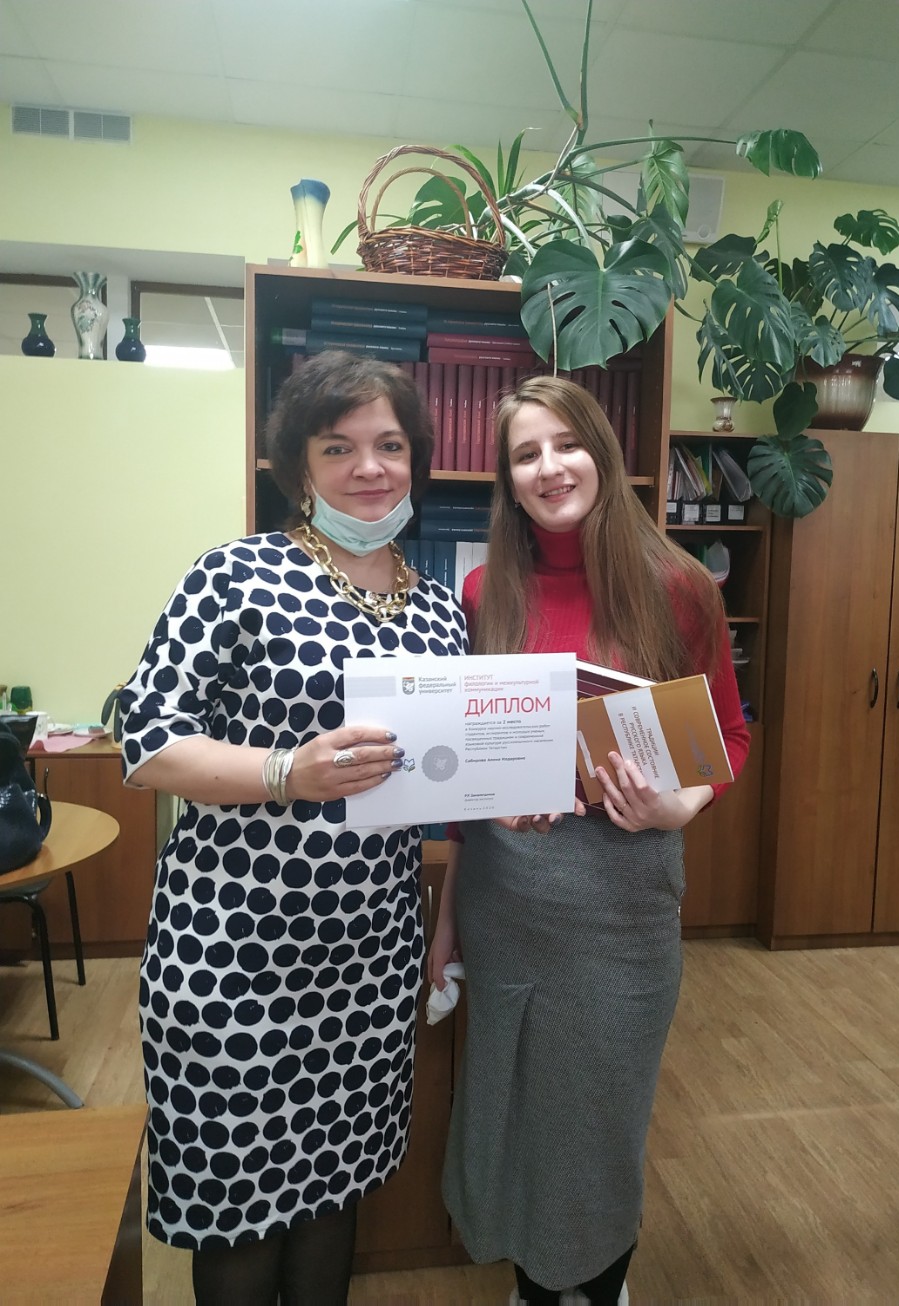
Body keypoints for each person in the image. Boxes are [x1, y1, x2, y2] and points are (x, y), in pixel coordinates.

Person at [119, 350, 466, 1306]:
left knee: (331, 1189)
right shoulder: (236, 576)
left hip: (368, 960)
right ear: (299, 466)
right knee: (236, 1205)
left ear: (416, 458)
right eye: (338, 447)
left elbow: (447, 773)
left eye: (389, 444)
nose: (369, 468)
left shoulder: (440, 611)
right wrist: (287, 772)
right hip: (233, 955)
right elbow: (146, 740)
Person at [428, 376, 750, 1306]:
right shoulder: (484, 590)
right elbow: (470, 773)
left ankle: (598, 1285)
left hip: (622, 901)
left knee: (598, 1121)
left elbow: (728, 736)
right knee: (514, 1111)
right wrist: (448, 919)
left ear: (602, 453)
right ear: (507, 480)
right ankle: (535, 1286)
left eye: (567, 444)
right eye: (526, 454)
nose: (550, 467)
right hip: (506, 897)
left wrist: (677, 809)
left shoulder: (678, 586)